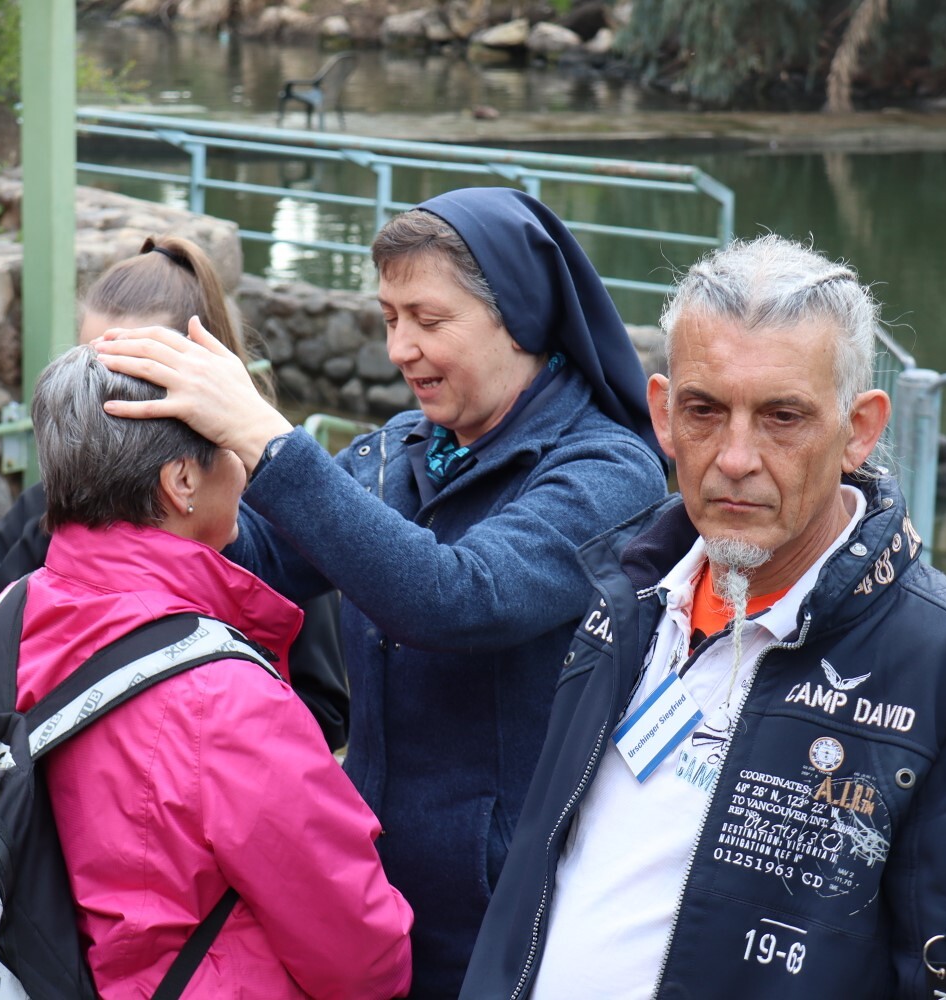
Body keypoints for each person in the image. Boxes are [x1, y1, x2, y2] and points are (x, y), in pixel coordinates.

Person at [460, 235, 946, 999]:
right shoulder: (624, 596)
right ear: (662, 415)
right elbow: (540, 870)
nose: (735, 457)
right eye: (704, 410)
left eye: (783, 416)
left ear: (860, 430)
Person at [94, 187, 670, 998]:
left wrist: (265, 437)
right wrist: (166, 481)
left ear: (521, 318)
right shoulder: (398, 450)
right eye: (389, 317)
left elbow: (457, 597)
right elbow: (256, 566)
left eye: (428, 320)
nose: (400, 348)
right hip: (370, 893)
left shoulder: (609, 471)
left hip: (513, 914)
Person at [0, 342, 414, 996]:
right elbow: (364, 957)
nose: (246, 468)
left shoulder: (5, 619)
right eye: (232, 445)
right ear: (182, 482)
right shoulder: (224, 695)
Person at [0, 235, 352, 751]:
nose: (97, 394)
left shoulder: (267, 517)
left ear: (205, 379)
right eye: (89, 367)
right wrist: (62, 521)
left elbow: (324, 712)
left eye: (130, 372)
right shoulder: (48, 507)